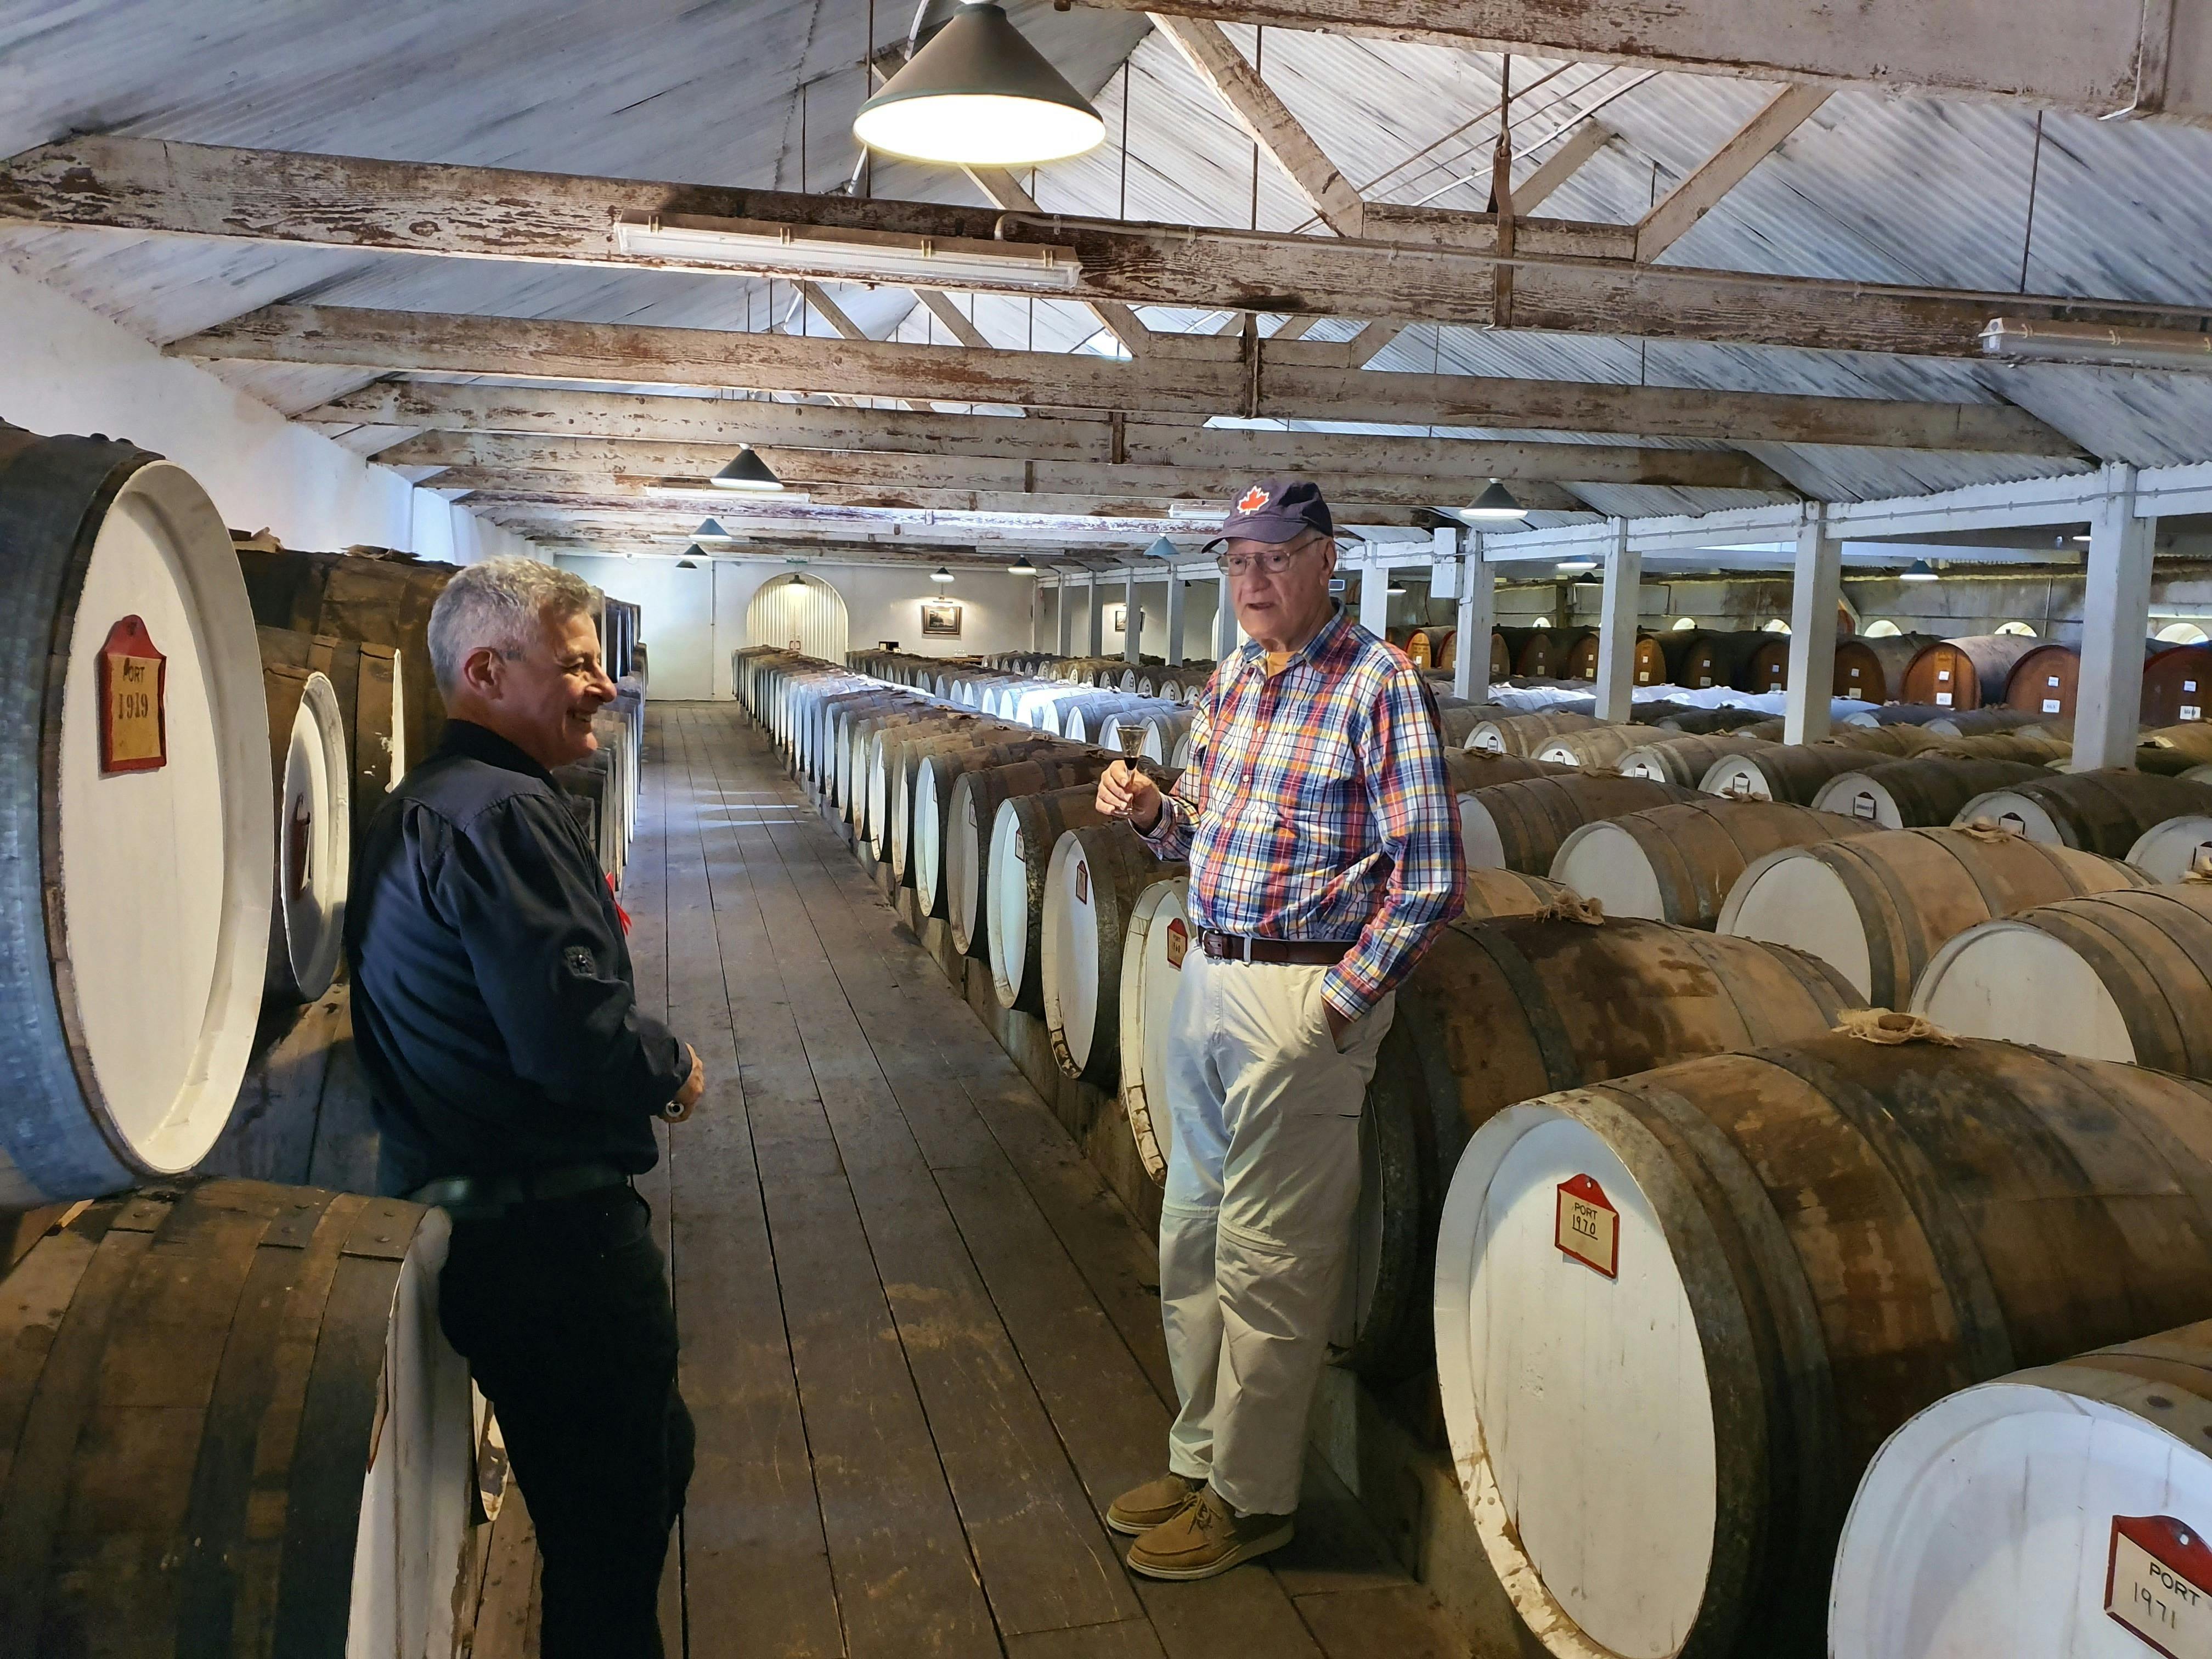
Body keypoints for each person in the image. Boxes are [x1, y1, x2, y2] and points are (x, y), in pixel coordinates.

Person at [1095, 478, 1464, 1580]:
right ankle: (1201, 1458)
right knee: (1193, 1239)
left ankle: (1254, 1501)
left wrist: (1339, 1005)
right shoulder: (1230, 683)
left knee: (1270, 1264)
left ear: (1325, 562)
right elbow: (1206, 831)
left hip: (1298, 998)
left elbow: (1432, 877)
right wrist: (1162, 815)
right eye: (1236, 560)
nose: (1251, 580)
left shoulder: (1380, 685)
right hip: (1208, 978)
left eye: (1273, 558)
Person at [346, 557, 702, 1658]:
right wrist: (670, 1064)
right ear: (489, 673)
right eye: (579, 664)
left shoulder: (425, 804)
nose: (603, 685)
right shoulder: (505, 813)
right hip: (559, 1243)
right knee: (611, 1543)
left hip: (493, 1229)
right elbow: (571, 1037)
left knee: (626, 1495)